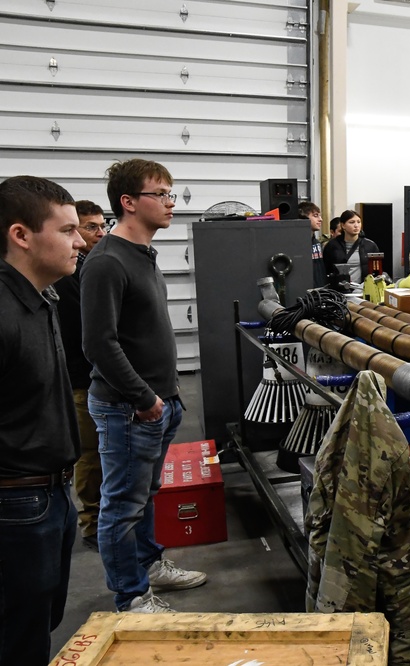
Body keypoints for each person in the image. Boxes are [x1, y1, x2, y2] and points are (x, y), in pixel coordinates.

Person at [81, 159, 207, 614]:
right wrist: (144, 398)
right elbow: (98, 343)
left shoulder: (142, 254)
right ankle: (131, 597)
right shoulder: (107, 261)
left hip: (157, 403)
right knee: (121, 506)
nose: (172, 203)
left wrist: (165, 396)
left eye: (173, 193)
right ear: (128, 202)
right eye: (161, 194)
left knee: (145, 496)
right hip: (129, 408)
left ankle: (149, 566)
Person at [0, 175, 84, 665]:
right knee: (17, 638)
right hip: (15, 504)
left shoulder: (42, 299)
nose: (79, 241)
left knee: (38, 622)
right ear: (22, 235)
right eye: (68, 229)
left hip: (50, 494)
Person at [53, 200, 107, 551]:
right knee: (89, 454)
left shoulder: (87, 266)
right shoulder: (70, 277)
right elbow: (86, 330)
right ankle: (91, 523)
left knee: (101, 453)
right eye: (90, 227)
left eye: (103, 226)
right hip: (81, 381)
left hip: (94, 379)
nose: (99, 233)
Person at [322, 209, 381, 284]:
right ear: (343, 225)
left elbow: (376, 270)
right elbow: (326, 270)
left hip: (363, 288)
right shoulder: (332, 246)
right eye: (352, 222)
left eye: (358, 222)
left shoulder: (370, 245)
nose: (356, 225)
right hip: (339, 290)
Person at [299, 200, 328, 288]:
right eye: (316, 216)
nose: (320, 220)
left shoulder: (316, 243)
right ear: (304, 218)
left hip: (320, 290)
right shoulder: (298, 244)